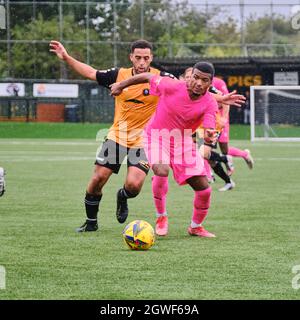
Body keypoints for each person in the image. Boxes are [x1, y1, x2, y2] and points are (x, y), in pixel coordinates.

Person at [50, 39, 174, 232]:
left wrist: (219, 98)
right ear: (131, 57)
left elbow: (186, 90)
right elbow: (90, 72)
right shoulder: (118, 74)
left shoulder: (162, 78)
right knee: (98, 178)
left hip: (144, 141)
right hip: (118, 136)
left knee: (133, 186)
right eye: (138, 58)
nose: (142, 62)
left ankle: (122, 196)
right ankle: (91, 222)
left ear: (152, 58)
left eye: (146, 58)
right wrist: (66, 57)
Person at [111, 62, 246, 238]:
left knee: (204, 189)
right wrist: (121, 85)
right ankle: (161, 217)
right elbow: (147, 76)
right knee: (161, 169)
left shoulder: (209, 104)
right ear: (190, 77)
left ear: (210, 83)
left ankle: (196, 227)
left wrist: (209, 135)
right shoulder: (171, 85)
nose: (198, 83)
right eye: (195, 77)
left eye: (204, 80)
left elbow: (208, 128)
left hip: (183, 143)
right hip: (157, 136)